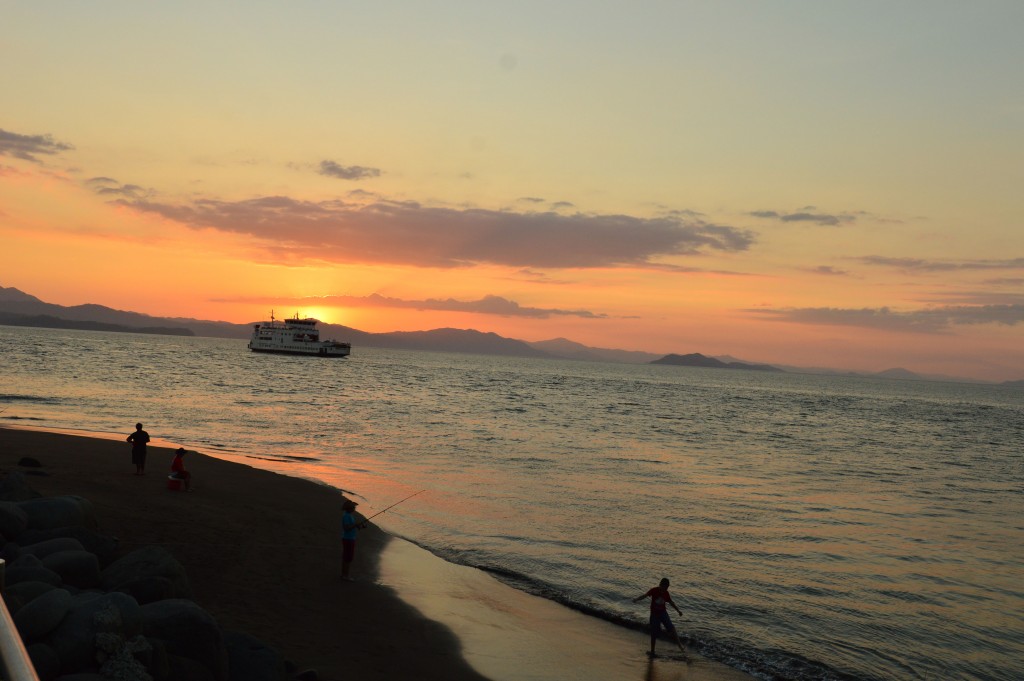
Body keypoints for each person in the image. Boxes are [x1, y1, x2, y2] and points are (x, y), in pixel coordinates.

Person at [633, 577, 688, 659]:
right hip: (654, 614)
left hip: (663, 613)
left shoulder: (666, 593)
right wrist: (637, 599)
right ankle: (652, 651)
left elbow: (671, 602)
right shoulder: (654, 590)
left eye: (667, 587)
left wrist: (678, 611)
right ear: (661, 585)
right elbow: (645, 595)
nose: (666, 589)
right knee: (654, 633)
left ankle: (680, 647)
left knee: (672, 628)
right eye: (665, 587)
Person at [341, 499, 366, 581]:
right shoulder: (346, 516)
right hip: (348, 539)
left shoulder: (349, 515)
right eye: (353, 507)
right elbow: (347, 528)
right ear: (350, 508)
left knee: (347, 558)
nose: (355, 508)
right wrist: (355, 524)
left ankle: (344, 575)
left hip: (350, 538)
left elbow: (351, 526)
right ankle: (345, 576)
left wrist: (359, 526)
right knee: (348, 558)